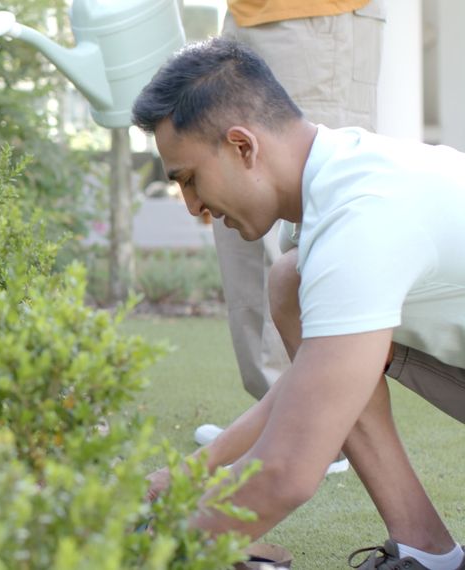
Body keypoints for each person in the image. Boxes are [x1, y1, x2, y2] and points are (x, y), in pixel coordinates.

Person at [133, 37, 465, 570]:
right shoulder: (332, 181)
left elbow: (288, 472)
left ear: (243, 147)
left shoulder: (361, 220)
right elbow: (317, 382)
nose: (193, 206)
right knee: (291, 282)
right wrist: (185, 477)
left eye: (189, 180)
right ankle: (429, 554)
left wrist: (141, 553)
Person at [193, 1, 385, 470]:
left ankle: (321, 430)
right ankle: (271, 416)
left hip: (317, 17)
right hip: (246, 13)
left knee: (316, 204)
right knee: (231, 192)